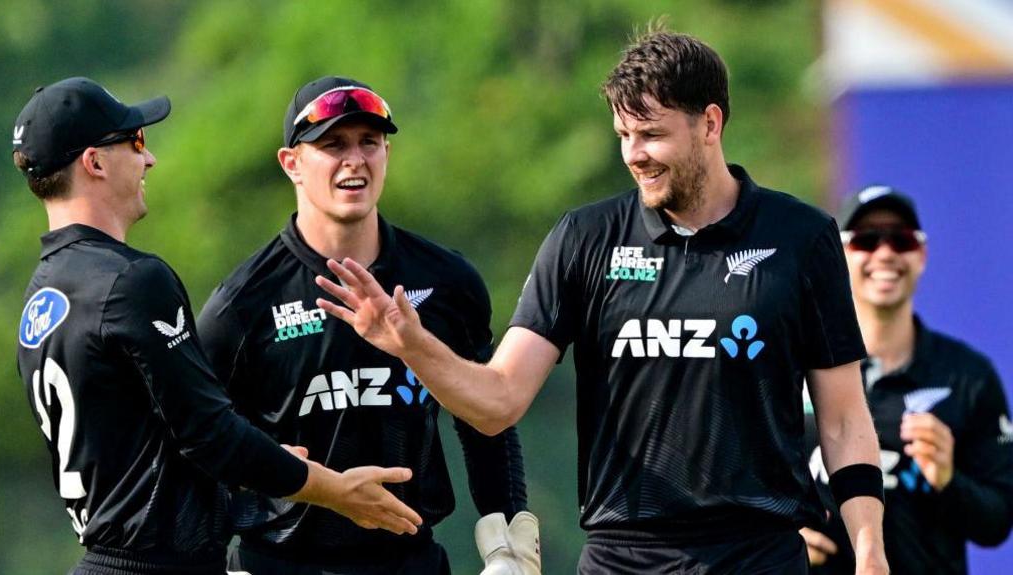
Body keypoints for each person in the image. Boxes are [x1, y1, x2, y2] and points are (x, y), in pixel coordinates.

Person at [316, 28, 889, 574]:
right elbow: (499, 401)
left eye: (652, 134)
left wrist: (869, 552)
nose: (634, 154)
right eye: (623, 136)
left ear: (710, 123)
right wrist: (411, 345)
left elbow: (841, 419)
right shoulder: (585, 238)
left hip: (759, 555)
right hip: (623, 555)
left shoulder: (802, 238)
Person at [13, 77, 422, 575]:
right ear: (94, 163)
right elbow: (210, 434)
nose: (149, 160)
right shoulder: (131, 280)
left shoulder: (44, 293)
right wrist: (334, 489)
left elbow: (147, 455)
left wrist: (262, 466)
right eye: (136, 142)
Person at [196, 76, 539, 575]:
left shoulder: (445, 281)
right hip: (280, 563)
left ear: (387, 154)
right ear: (291, 164)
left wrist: (505, 540)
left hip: (411, 561)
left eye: (369, 143)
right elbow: (201, 445)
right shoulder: (241, 305)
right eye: (333, 145)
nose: (354, 160)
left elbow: (485, 421)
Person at [801, 186, 1013, 574]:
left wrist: (950, 480)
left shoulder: (967, 376)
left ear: (921, 255)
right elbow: (730, 487)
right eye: (866, 240)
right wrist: (778, 536)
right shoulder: (795, 368)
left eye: (901, 240)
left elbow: (997, 523)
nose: (885, 254)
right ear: (838, 257)